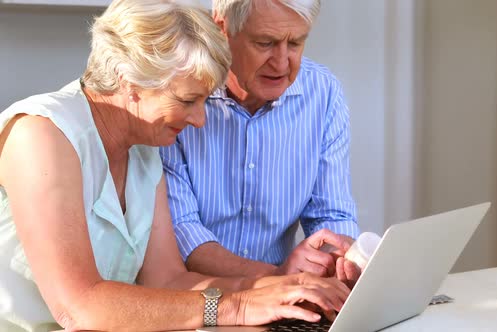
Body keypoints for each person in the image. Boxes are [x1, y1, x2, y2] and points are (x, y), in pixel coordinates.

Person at [0, 1, 350, 331]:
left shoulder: (143, 148)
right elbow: (77, 307)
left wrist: (276, 290)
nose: (200, 120)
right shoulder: (41, 134)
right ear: (131, 83)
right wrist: (237, 306)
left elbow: (168, 281)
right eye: (187, 100)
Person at [160, 0, 362, 288]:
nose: (281, 63)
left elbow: (331, 215)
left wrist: (337, 263)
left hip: (282, 294)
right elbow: (182, 231)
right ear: (222, 28)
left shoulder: (324, 94)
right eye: (265, 43)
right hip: (194, 297)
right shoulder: (179, 94)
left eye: (295, 43)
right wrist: (276, 277)